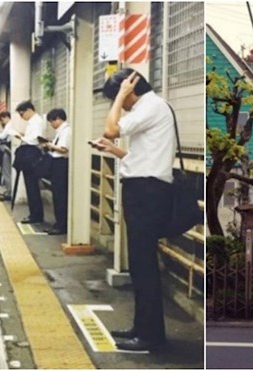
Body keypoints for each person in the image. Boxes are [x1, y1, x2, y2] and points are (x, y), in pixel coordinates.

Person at [92, 69, 175, 352]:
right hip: (145, 187)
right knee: (140, 265)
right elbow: (140, 157)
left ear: (129, 91)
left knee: (144, 265)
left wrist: (119, 97)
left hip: (147, 191)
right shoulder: (151, 107)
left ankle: (150, 337)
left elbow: (111, 129)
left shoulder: (150, 105)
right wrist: (113, 150)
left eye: (118, 98)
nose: (120, 105)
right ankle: (142, 328)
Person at [15, 100, 46, 224]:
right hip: (30, 154)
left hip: (32, 154)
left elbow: (35, 140)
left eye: (22, 114)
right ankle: (34, 214)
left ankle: (36, 216)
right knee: (30, 186)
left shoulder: (36, 121)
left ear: (29, 110)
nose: (22, 117)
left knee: (32, 186)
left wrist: (21, 137)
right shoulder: (32, 122)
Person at [41, 108, 71, 235]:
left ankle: (61, 225)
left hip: (61, 164)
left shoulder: (66, 131)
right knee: (57, 195)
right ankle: (58, 223)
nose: (51, 125)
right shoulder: (61, 131)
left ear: (58, 119)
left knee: (60, 196)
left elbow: (63, 149)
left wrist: (49, 145)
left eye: (52, 121)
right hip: (57, 164)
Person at [0, 111, 15, 202]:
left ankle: (10, 192)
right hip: (10, 148)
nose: (2, 122)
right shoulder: (13, 124)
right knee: (8, 170)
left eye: (2, 120)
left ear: (5, 117)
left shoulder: (9, 124)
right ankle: (9, 191)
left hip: (8, 149)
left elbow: (2, 136)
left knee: (6, 171)